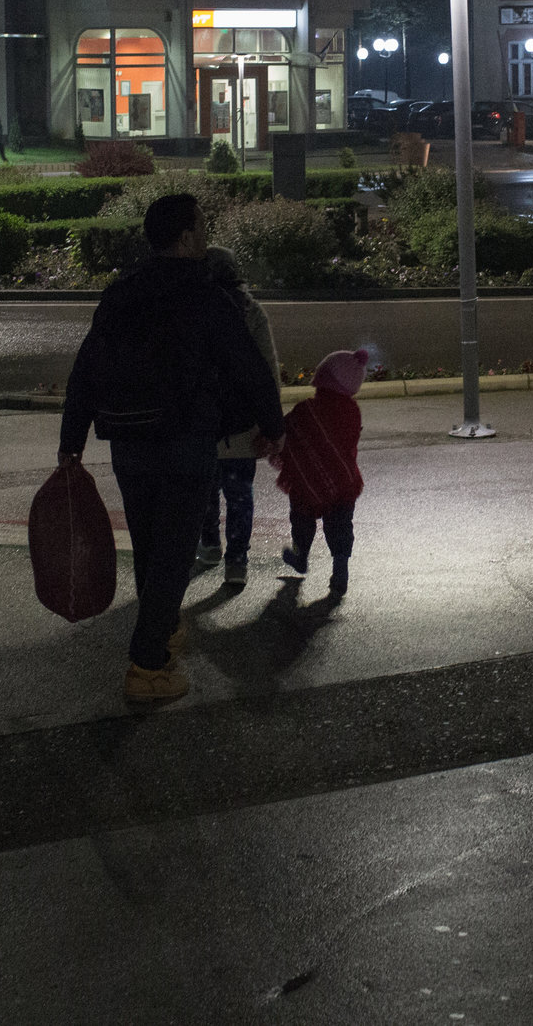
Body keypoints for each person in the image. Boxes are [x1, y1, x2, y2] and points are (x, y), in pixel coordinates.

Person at [58, 192, 284, 701]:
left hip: (128, 439)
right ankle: (148, 663)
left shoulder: (121, 294)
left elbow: (87, 368)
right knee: (175, 553)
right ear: (185, 238)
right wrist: (273, 425)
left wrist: (71, 440)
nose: (205, 236)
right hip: (184, 438)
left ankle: (163, 630)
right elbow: (248, 368)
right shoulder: (204, 297)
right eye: (201, 227)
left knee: (150, 545)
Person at [198, 248, 280, 583]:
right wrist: (270, 424)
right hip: (244, 424)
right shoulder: (251, 310)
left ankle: (209, 545)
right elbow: (267, 370)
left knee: (203, 492)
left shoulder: (193, 307)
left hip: (203, 424)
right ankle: (237, 562)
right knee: (240, 496)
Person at [274, 349, 367, 593]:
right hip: (344, 480)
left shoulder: (306, 410)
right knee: (340, 525)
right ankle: (340, 569)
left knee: (302, 518)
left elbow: (286, 434)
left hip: (307, 481)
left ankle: (301, 556)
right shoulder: (352, 412)